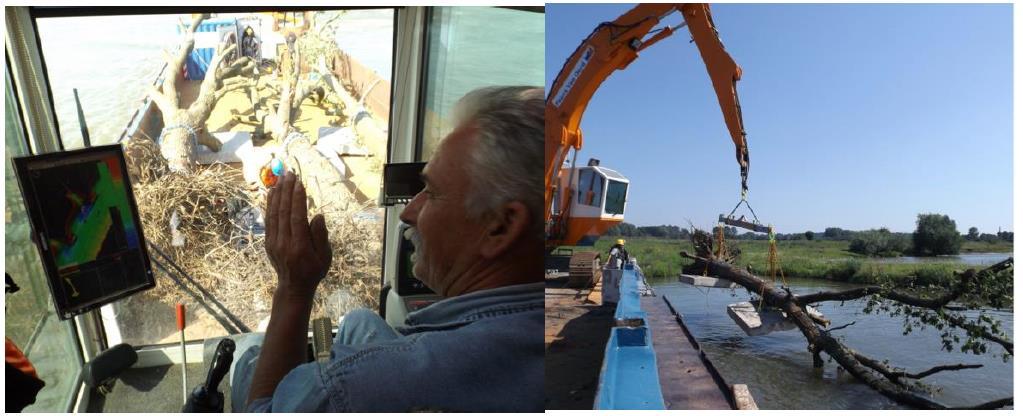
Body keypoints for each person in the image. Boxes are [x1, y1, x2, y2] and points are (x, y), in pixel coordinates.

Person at [230, 86, 544, 412]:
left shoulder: (348, 387)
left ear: (502, 226)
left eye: (432, 193)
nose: (409, 212)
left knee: (247, 351)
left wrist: (293, 289)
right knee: (358, 320)